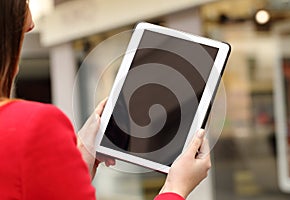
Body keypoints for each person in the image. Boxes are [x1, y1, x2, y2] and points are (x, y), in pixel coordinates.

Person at [0, 0, 211, 200]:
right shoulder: (32, 126)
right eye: (23, 2)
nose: (30, 23)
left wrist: (76, 159)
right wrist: (175, 188)